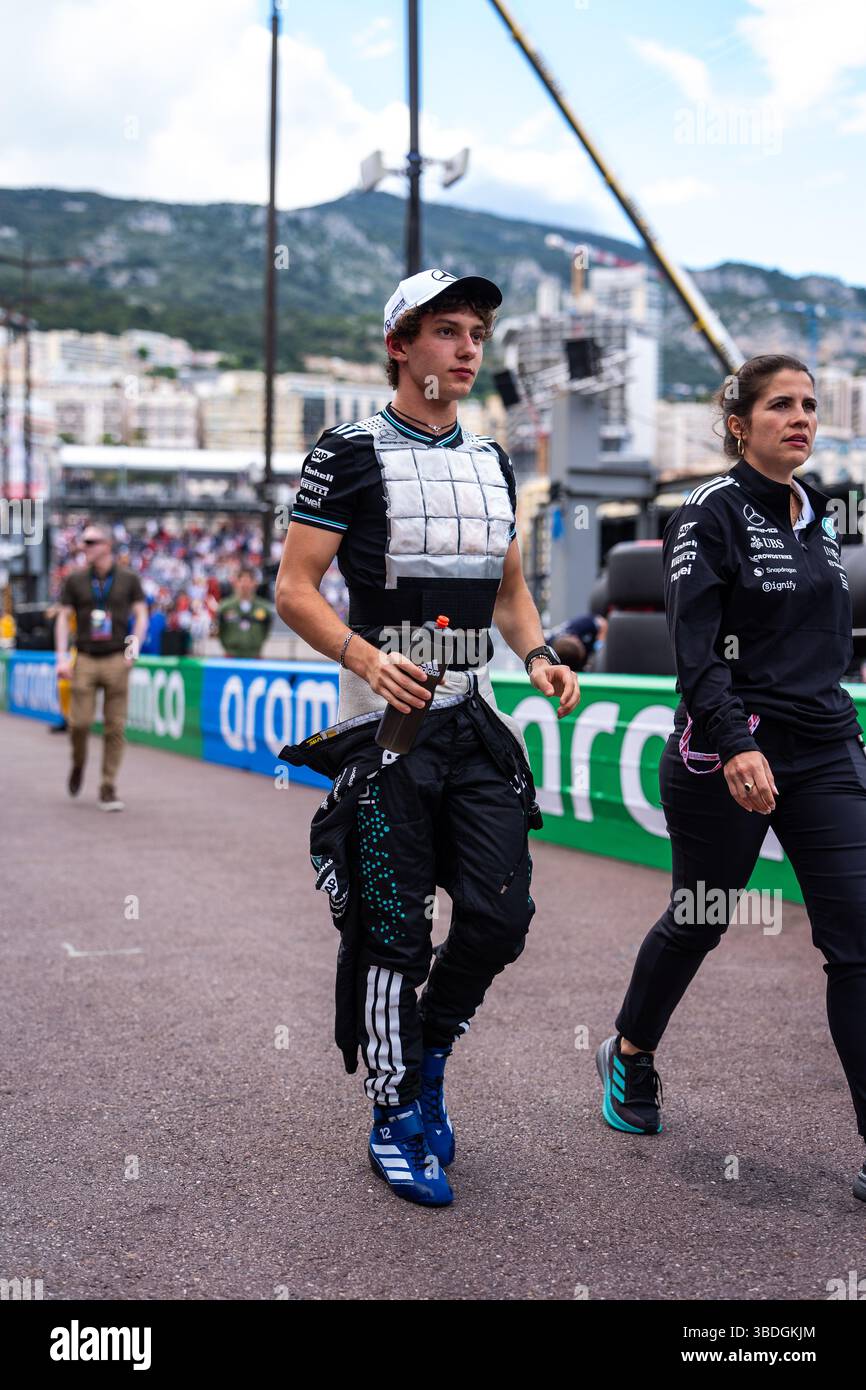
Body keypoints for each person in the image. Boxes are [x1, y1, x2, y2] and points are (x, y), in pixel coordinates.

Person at [277, 268, 579, 1207]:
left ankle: (429, 1048)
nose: (466, 348)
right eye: (446, 331)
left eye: (476, 334)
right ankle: (394, 1110)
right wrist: (367, 660)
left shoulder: (493, 461)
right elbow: (293, 590)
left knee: (500, 919)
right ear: (400, 346)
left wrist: (536, 656)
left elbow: (509, 592)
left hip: (470, 725)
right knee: (391, 937)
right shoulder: (347, 449)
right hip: (387, 739)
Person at [596, 354, 866, 1205]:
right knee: (699, 918)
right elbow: (696, 650)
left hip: (823, 746)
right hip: (728, 752)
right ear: (739, 424)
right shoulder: (706, 513)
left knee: (858, 942)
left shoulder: (820, 514)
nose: (801, 418)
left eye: (811, 406)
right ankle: (631, 1054)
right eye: (780, 405)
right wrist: (736, 739)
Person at [55, 526, 148, 811]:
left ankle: (108, 786)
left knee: (114, 727)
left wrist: (132, 652)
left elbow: (141, 614)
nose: (86, 546)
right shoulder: (75, 579)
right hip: (83, 657)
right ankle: (78, 763)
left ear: (107, 544)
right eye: (84, 542)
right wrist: (61, 657)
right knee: (79, 723)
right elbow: (62, 618)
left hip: (115, 658)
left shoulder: (129, 578)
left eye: (92, 541)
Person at [217, 567, 273, 659]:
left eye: (249, 581)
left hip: (255, 656)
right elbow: (220, 629)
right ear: (235, 582)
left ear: (255, 583)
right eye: (241, 580)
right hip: (231, 656)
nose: (245, 585)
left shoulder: (264, 608)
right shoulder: (225, 607)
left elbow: (266, 630)